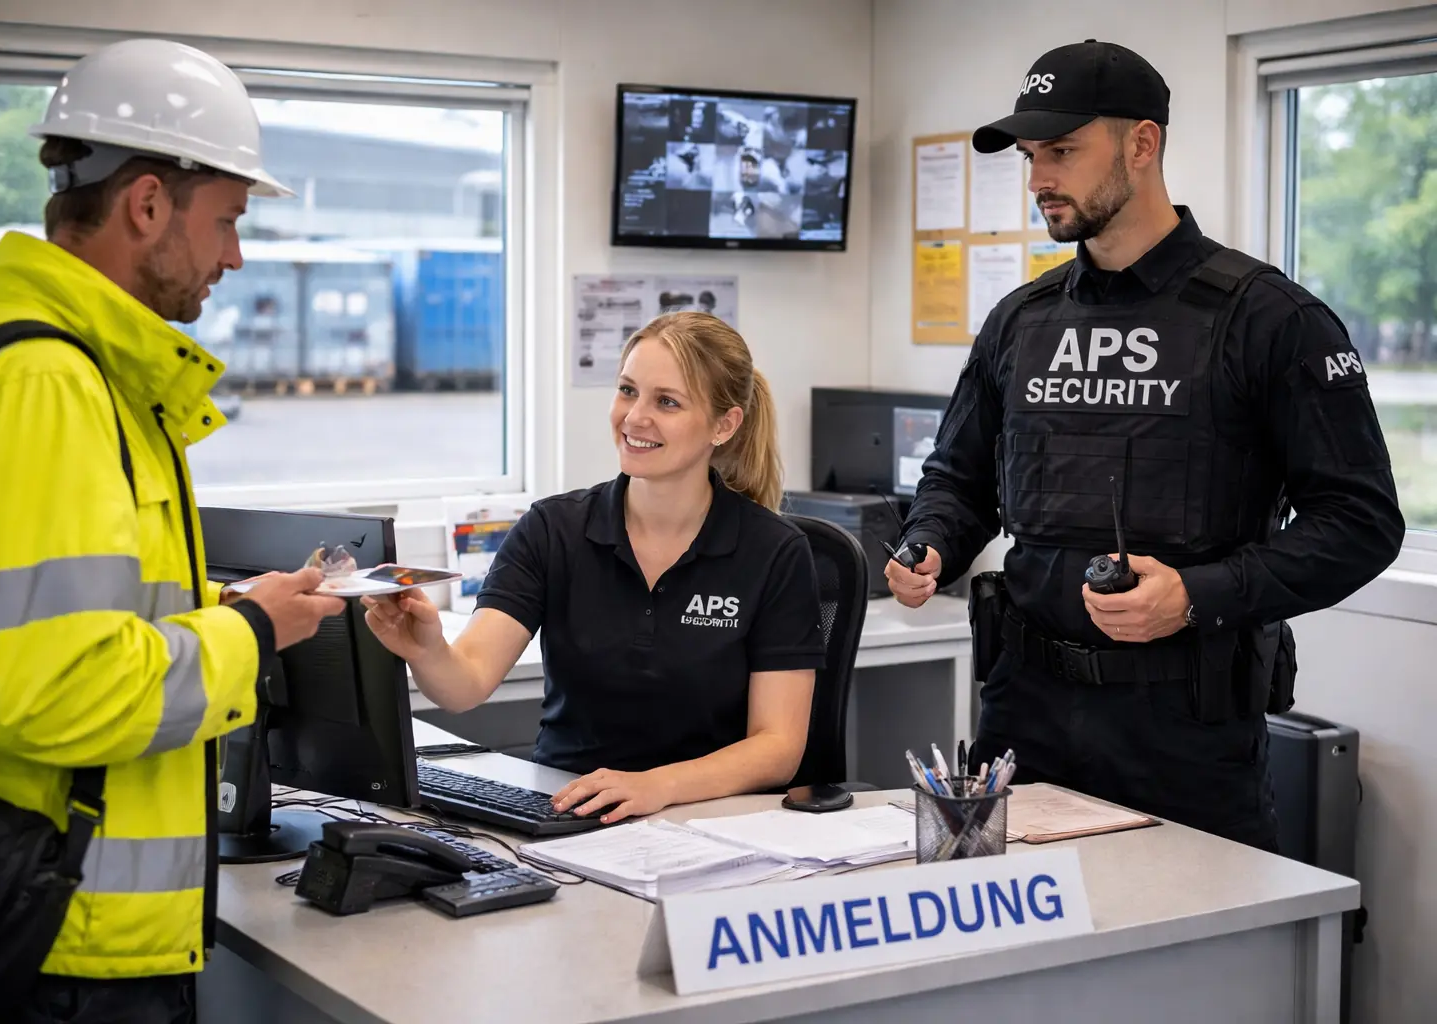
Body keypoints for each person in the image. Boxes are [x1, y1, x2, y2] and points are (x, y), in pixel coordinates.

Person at [0, 38, 345, 1022]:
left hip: (53, 929)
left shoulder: (65, 375)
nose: (235, 255)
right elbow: (50, 688)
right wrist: (250, 632)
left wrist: (231, 611)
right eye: (227, 220)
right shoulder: (41, 387)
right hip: (56, 948)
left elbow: (62, 629)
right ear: (147, 204)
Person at [885, 39, 1404, 851]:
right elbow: (958, 476)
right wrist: (928, 543)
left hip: (1183, 738)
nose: (1039, 179)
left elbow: (1361, 522)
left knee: (1192, 971)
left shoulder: (1269, 320)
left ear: (1142, 143)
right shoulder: (1021, 323)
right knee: (1001, 971)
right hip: (1021, 726)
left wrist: (1199, 593)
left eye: (1061, 151)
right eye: (1030, 157)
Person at [364, 312, 826, 822]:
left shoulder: (774, 550)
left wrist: (659, 786)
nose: (634, 418)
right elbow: (465, 683)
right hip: (567, 810)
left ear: (725, 424)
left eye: (666, 402)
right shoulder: (553, 529)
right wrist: (427, 650)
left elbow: (778, 746)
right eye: (628, 390)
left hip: (708, 818)